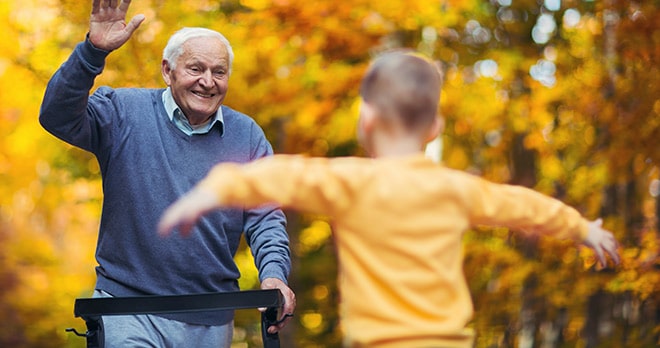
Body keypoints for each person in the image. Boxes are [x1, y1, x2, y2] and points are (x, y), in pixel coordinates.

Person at [158, 51, 621, 347]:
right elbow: (527, 206)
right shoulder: (457, 188)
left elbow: (275, 174)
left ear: (366, 122)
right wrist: (584, 229)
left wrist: (205, 194)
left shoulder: (352, 182)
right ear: (435, 128)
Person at [39, 0, 295, 346]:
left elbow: (265, 218)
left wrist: (274, 275)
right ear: (167, 70)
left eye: (219, 72)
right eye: (195, 69)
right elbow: (56, 117)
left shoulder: (246, 135)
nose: (208, 82)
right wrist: (91, 53)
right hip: (127, 308)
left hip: (210, 315)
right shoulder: (122, 112)